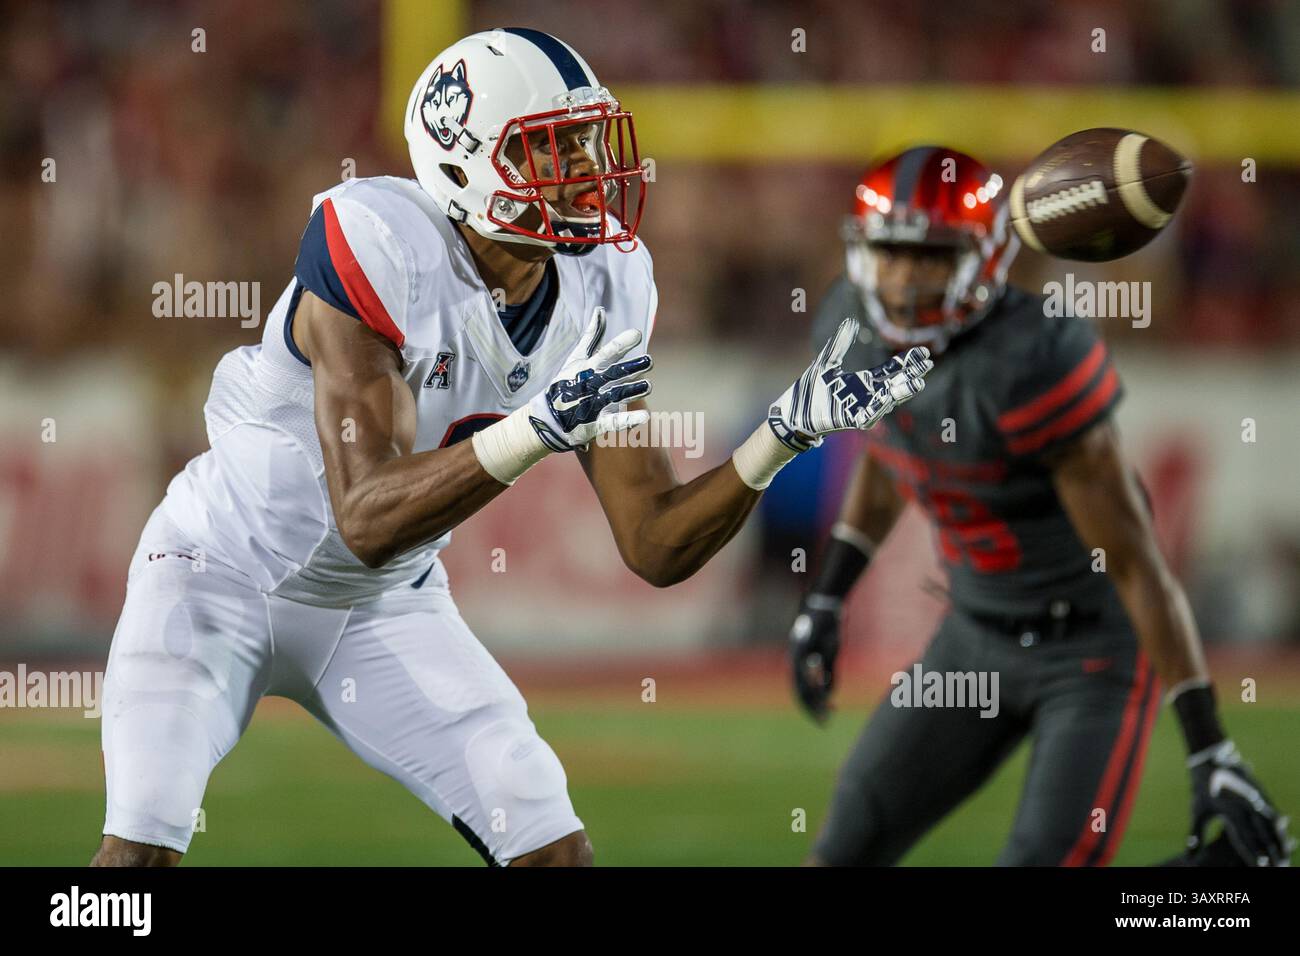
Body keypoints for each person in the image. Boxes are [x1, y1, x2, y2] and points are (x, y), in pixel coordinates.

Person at [92, 28, 932, 867]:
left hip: (384, 606)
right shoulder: (378, 240)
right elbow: (364, 515)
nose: (588, 170)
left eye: (587, 140)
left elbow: (654, 543)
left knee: (553, 855)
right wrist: (535, 428)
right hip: (217, 573)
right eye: (554, 148)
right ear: (464, 162)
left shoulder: (607, 278)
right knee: (139, 863)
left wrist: (782, 433)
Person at [789, 145, 1290, 867]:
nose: (900, 280)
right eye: (888, 253)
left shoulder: (1033, 358)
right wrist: (829, 596)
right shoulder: (851, 325)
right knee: (841, 849)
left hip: (1087, 655)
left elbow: (1134, 562)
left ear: (984, 258)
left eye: (928, 257)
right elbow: (891, 454)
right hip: (973, 637)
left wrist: (1209, 743)